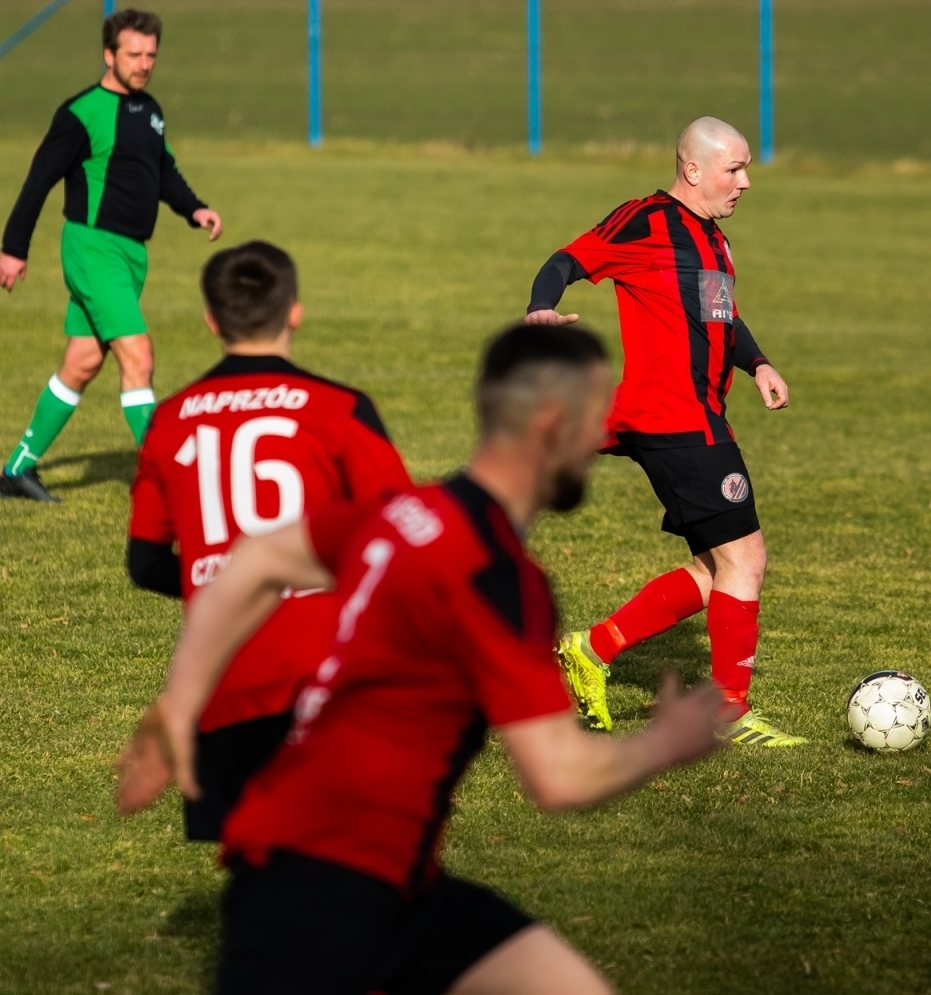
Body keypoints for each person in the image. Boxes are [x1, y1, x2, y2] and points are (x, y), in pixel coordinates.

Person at [116, 323, 726, 995]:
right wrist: (666, 741)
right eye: (595, 417)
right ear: (553, 425)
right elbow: (560, 776)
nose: (601, 435)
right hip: (318, 888)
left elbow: (254, 558)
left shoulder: (406, 511)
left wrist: (181, 701)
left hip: (391, 883)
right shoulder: (493, 573)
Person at [523, 116, 803, 747]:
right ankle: (727, 713)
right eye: (734, 169)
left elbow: (720, 319)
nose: (746, 182)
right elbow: (568, 259)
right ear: (693, 169)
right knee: (747, 559)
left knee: (718, 566)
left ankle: (591, 650)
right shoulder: (646, 221)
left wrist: (757, 363)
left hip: (689, 414)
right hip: (676, 419)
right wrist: (541, 306)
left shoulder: (714, 241)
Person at [126, 241, 412, 841]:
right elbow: (401, 536)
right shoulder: (340, 409)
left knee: (254, 869)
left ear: (211, 321)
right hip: (324, 677)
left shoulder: (170, 418)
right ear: (295, 312)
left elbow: (146, 561)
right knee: (341, 863)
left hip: (222, 683)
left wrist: (220, 584)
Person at [0, 8, 223, 502]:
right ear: (108, 55)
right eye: (133, 55)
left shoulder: (150, 110)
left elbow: (163, 170)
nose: (144, 64)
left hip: (129, 255)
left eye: (151, 55)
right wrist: (13, 249)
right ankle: (172, 485)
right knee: (138, 356)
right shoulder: (80, 114)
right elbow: (38, 180)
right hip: (92, 248)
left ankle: (16, 471)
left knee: (81, 362)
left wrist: (195, 209)